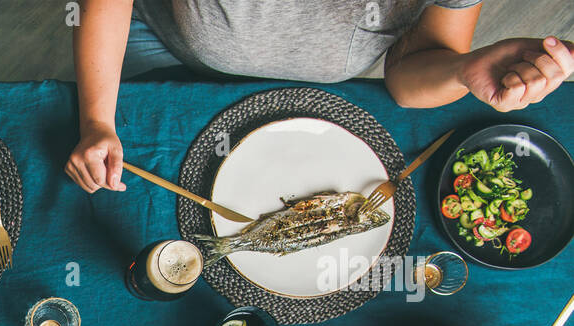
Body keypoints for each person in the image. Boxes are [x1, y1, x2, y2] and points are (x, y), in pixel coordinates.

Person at [66, 0, 574, 193]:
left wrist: (463, 69)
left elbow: (407, 79)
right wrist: (96, 122)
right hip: (156, 40)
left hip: (310, 89)